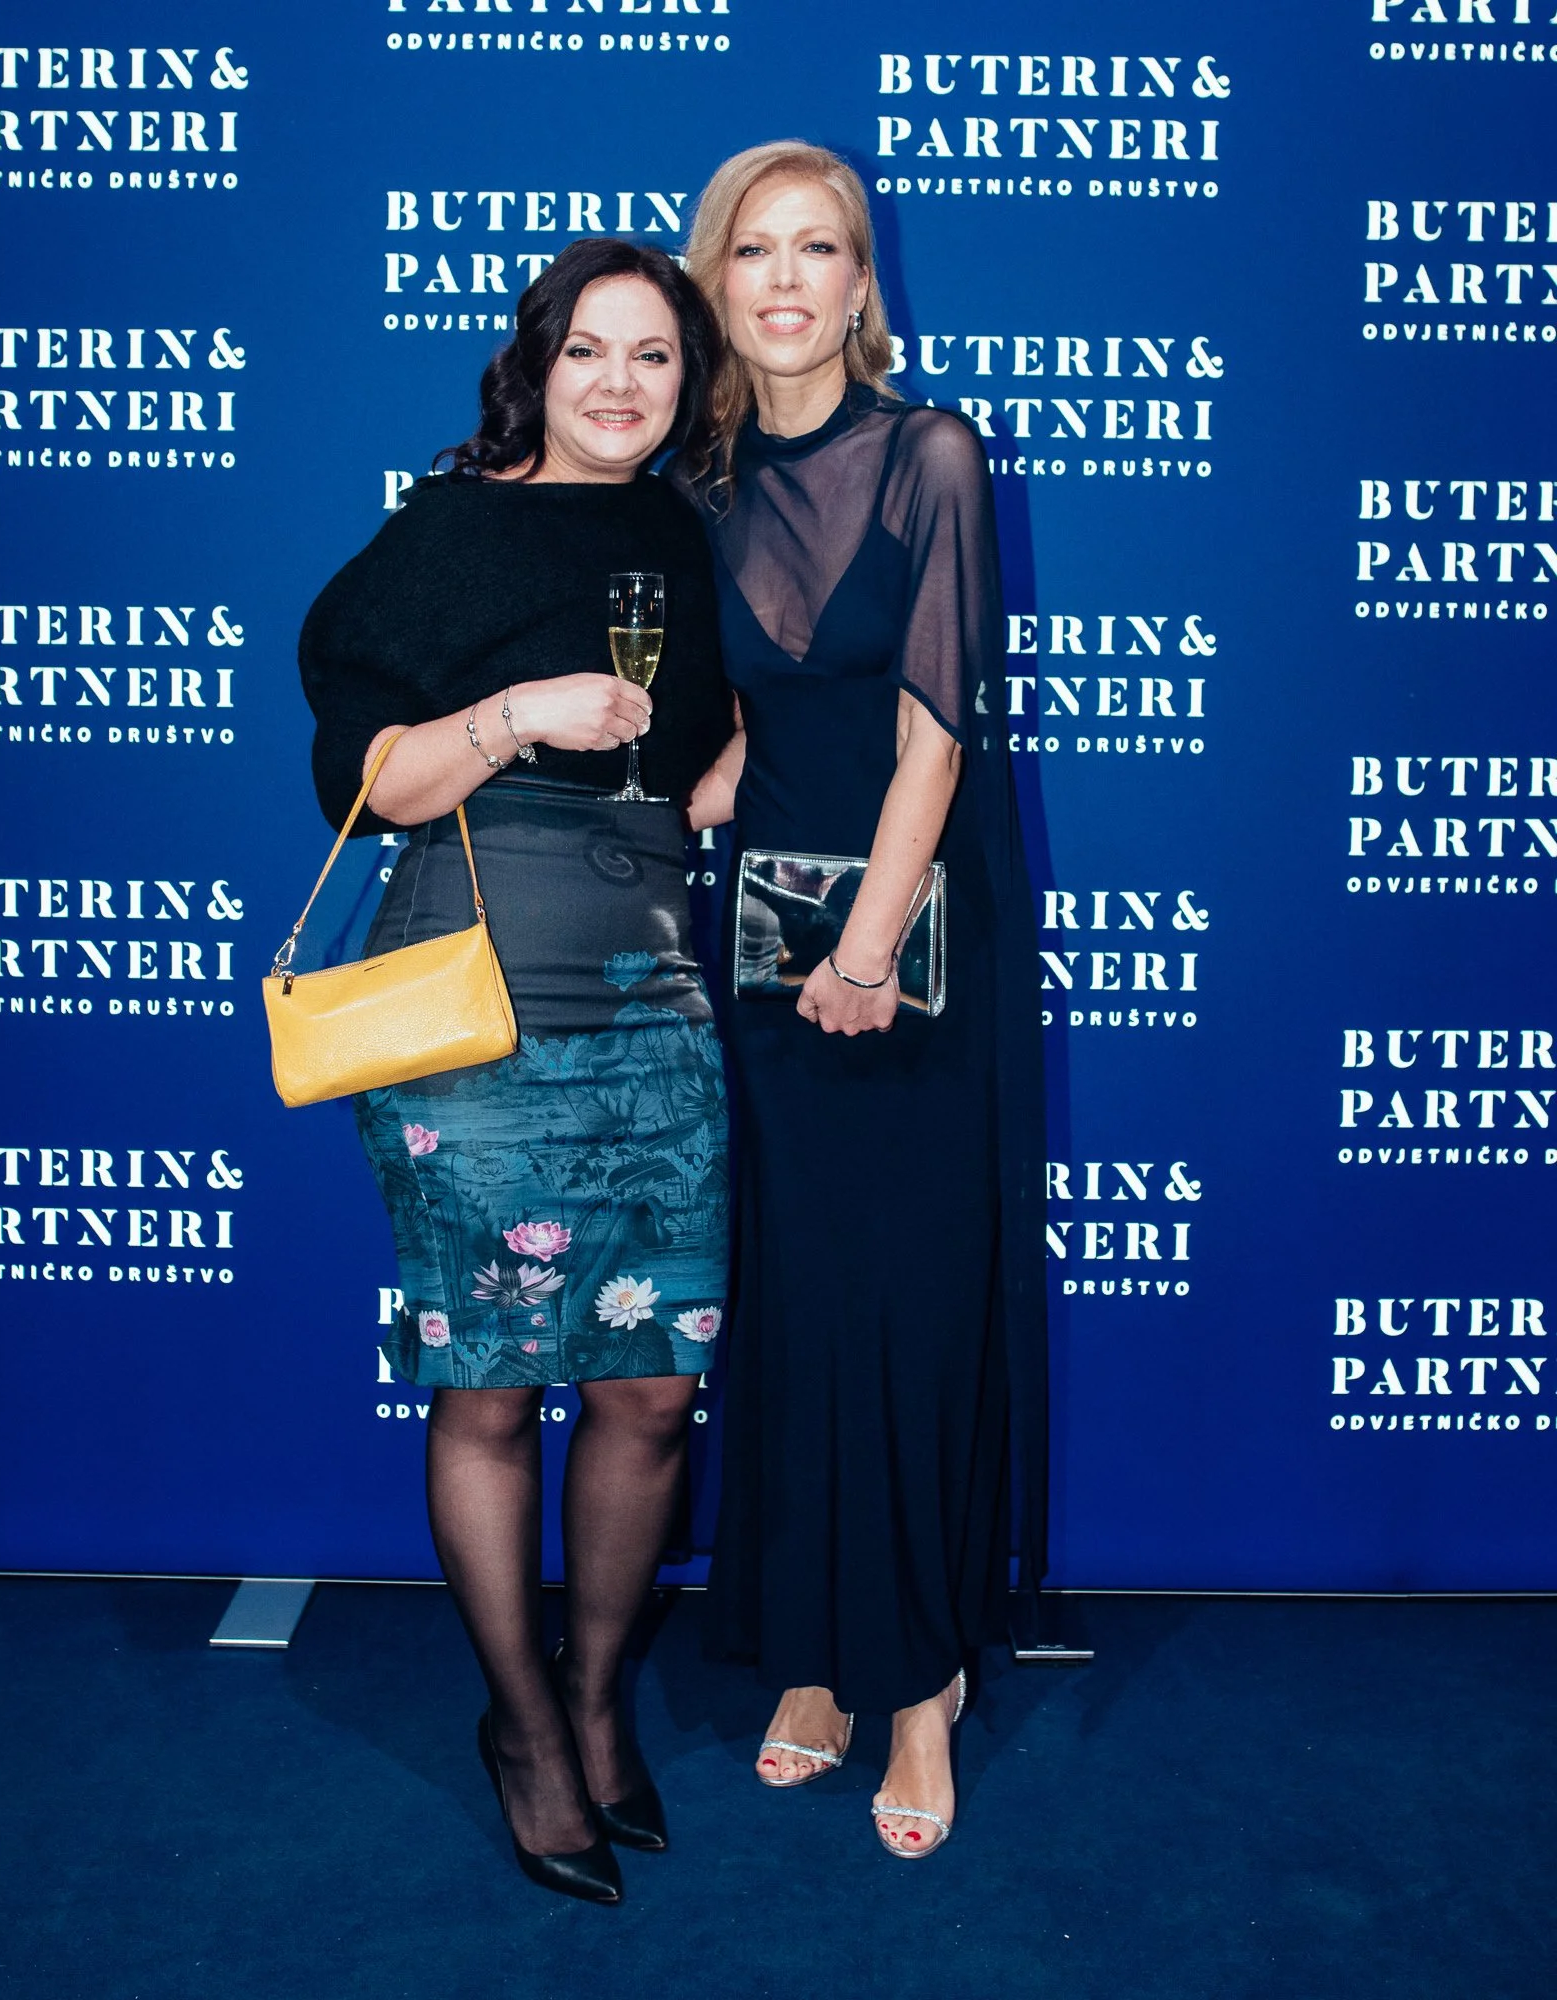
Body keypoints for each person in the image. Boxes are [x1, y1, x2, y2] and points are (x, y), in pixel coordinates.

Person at [298, 240, 735, 1905]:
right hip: (479, 1007)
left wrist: (743, 749)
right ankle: (526, 1732)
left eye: (654, 359)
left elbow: (691, 763)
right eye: (589, 354)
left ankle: (603, 1701)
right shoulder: (454, 532)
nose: (621, 384)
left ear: (688, 388)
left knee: (648, 1385)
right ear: (535, 370)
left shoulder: (687, 542)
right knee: (490, 1386)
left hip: (656, 1004)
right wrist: (514, 711)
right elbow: (374, 782)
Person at [677, 143, 1047, 1859]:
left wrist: (875, 944)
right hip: (764, 943)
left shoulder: (932, 455)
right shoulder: (709, 473)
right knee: (803, 1295)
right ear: (719, 277)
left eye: (819, 249)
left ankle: (918, 1687)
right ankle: (816, 1656)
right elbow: (780, 682)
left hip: (909, 946)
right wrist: (721, 767)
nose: (786, 280)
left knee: (909, 1297)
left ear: (859, 283)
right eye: (756, 250)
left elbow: (934, 718)